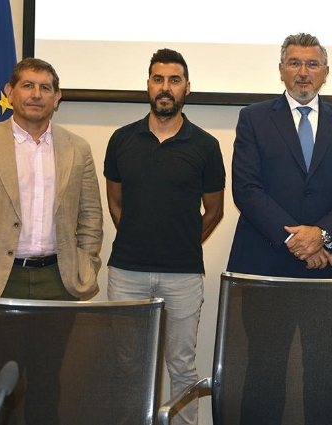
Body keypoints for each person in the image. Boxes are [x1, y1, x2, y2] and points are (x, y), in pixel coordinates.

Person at [0, 57, 103, 424]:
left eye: (46, 88)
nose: (36, 94)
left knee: (50, 384)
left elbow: (91, 216)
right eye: (28, 85)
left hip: (57, 282)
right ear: (10, 92)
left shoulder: (77, 148)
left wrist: (86, 264)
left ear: (57, 97)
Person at [226, 33, 332, 423]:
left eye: (311, 64)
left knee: (325, 372)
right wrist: (296, 237)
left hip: (329, 266)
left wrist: (321, 235)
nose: (302, 73)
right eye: (294, 63)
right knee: (263, 370)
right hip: (264, 262)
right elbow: (246, 188)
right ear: (280, 71)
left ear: (325, 73)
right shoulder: (253, 118)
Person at [103, 48, 225, 425]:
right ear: (148, 86)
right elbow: (116, 204)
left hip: (183, 275)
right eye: (158, 79)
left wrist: (184, 242)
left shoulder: (205, 146)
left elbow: (215, 211)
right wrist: (141, 238)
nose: (165, 88)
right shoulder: (122, 140)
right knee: (127, 368)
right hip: (126, 273)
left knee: (182, 368)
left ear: (187, 88)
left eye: (174, 80)